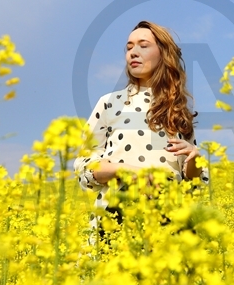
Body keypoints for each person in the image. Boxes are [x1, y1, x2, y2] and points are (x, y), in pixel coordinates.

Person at [74, 20, 209, 237]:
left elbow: (192, 186)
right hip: (116, 220)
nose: (133, 53)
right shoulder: (109, 104)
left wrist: (194, 160)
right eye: (129, 48)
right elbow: (84, 168)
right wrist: (127, 171)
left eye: (143, 46)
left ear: (163, 54)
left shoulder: (177, 110)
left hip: (171, 220)